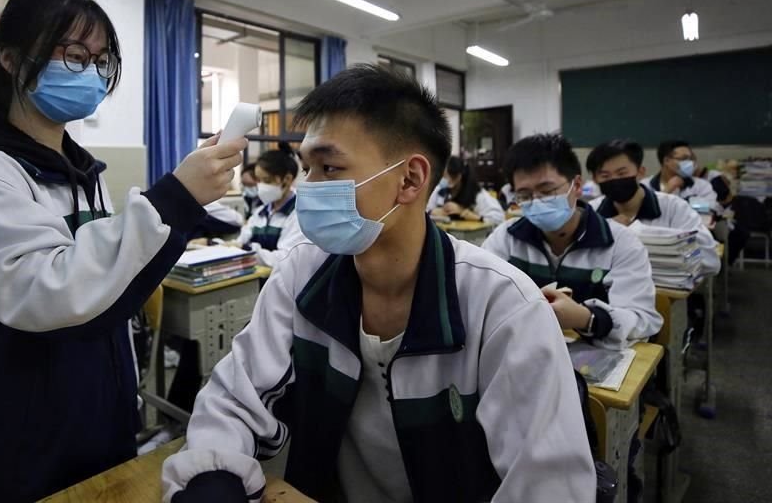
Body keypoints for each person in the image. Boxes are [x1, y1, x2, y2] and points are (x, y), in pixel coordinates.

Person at [162, 65, 595, 502]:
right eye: (306, 168)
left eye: (329, 167)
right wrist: (212, 479)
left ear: (409, 180)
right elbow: (235, 398)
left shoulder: (503, 306)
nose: (308, 188)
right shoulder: (302, 273)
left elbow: (549, 486)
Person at [0, 0, 246, 502]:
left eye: (102, 60)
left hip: (94, 410)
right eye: (75, 55)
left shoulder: (79, 170)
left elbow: (105, 285)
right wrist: (176, 198)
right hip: (18, 436)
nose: (93, 71)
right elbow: (52, 291)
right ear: (9, 58)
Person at [482, 133, 661, 350]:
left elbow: (642, 319)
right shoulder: (506, 237)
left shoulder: (620, 243)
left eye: (547, 191)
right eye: (524, 195)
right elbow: (480, 294)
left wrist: (585, 318)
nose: (537, 202)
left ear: (576, 185)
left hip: (594, 359)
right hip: (524, 350)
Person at [586, 139, 720, 276]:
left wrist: (639, 233)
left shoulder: (675, 208)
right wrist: (604, 230)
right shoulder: (592, 212)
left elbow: (710, 261)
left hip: (664, 292)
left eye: (622, 173)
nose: (614, 180)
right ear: (595, 180)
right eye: (605, 176)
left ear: (640, 172)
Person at [235, 146, 307, 267]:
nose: (261, 186)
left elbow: (284, 258)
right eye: (259, 180)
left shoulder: (299, 214)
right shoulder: (260, 212)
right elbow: (240, 241)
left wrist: (246, 249)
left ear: (287, 179)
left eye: (267, 180)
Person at [427, 156, 504, 224]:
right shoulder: (439, 192)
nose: (445, 179)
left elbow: (498, 217)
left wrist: (468, 214)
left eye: (447, 176)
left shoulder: (478, 195)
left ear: (459, 176)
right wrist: (432, 212)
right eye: (443, 176)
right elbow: (423, 211)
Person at [644, 140, 719, 210]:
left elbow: (713, 206)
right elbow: (643, 210)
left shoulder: (701, 185)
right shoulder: (645, 185)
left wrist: (687, 202)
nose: (690, 163)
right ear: (666, 161)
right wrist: (666, 191)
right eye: (684, 159)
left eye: (691, 159)